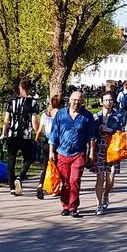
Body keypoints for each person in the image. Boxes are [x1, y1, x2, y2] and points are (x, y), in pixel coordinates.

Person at [49, 88, 97, 218]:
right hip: (62, 153)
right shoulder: (61, 114)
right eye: (74, 100)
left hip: (78, 153)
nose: (76, 102)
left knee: (75, 180)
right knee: (65, 182)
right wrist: (51, 152)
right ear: (69, 100)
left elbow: (91, 137)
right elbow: (54, 134)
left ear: (82, 102)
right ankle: (65, 206)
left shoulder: (87, 116)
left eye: (79, 100)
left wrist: (91, 153)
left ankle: (73, 207)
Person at [2, 77, 40, 196]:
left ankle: (12, 187)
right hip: (25, 135)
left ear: (19, 87)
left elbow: (7, 120)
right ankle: (20, 177)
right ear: (29, 89)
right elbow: (34, 120)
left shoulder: (11, 101)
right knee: (28, 158)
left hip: (12, 134)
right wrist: (38, 133)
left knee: (11, 159)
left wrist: (3, 133)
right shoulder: (33, 102)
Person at [93, 91, 126, 213]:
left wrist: (109, 129)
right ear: (102, 102)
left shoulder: (118, 116)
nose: (108, 102)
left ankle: (106, 193)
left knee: (111, 178)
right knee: (100, 177)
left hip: (113, 148)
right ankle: (99, 205)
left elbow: (121, 131)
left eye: (110, 100)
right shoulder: (96, 116)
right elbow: (92, 134)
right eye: (106, 100)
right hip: (100, 148)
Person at [35, 93, 62, 198]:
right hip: (57, 143)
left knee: (46, 166)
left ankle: (40, 185)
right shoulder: (61, 114)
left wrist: (37, 140)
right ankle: (55, 188)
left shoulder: (45, 115)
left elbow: (39, 131)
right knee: (58, 166)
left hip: (46, 142)